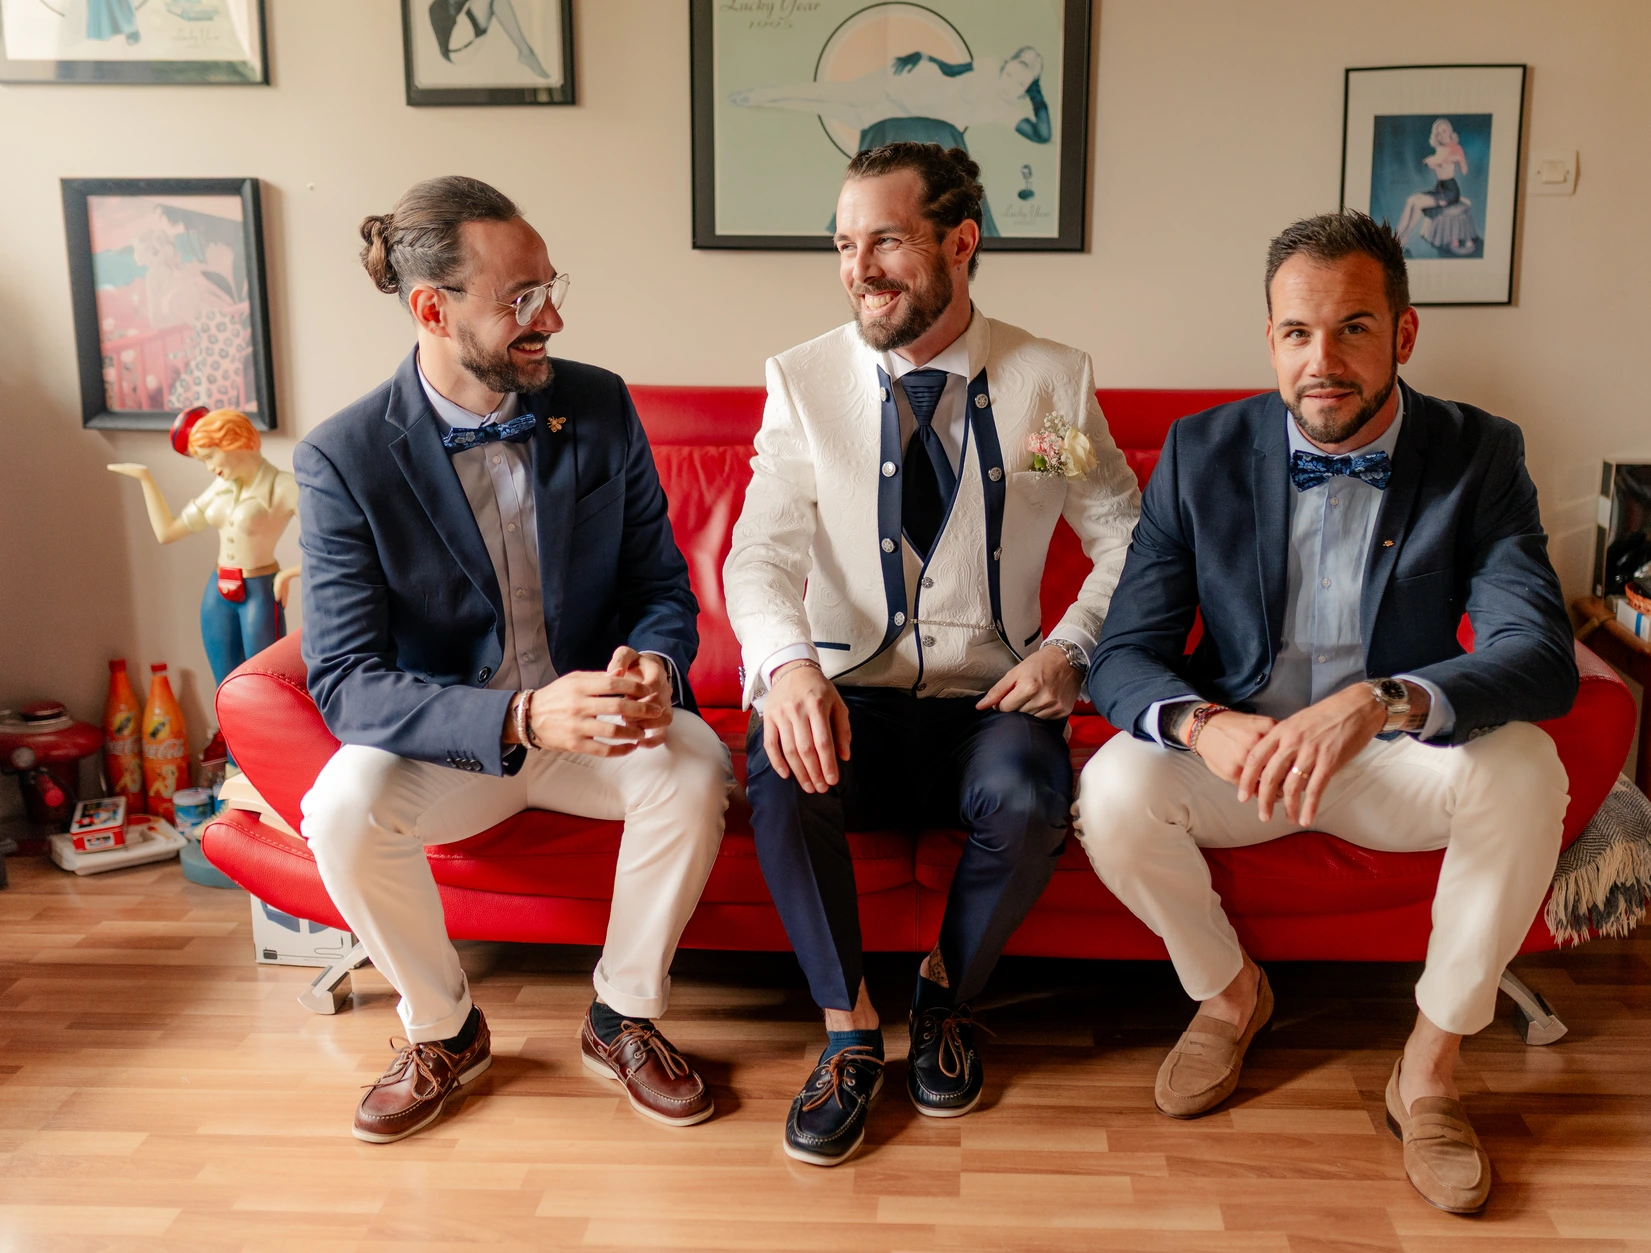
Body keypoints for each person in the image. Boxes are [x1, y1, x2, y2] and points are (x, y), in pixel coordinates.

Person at [1076, 211, 1578, 1215]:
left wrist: (1384, 699)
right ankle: (1230, 994)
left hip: (1393, 756)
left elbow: (1539, 653)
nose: (1323, 361)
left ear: (1403, 333)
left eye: (1353, 328)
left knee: (1527, 767)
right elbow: (1121, 652)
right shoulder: (1201, 451)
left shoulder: (1478, 452)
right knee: (1112, 786)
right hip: (1245, 759)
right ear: (1269, 340)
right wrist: (1202, 724)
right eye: (1298, 333)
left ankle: (1428, 1069)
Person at [724, 142, 1141, 1167]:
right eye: (842, 244)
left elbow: (1125, 539)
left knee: (1031, 798)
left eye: (885, 241)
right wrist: (788, 667)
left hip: (989, 705)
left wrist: (1070, 648)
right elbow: (759, 553)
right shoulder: (802, 381)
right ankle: (848, 1031)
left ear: (960, 242)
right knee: (778, 769)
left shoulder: (1049, 386)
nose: (857, 268)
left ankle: (944, 995)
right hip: (848, 700)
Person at [293, 176, 731, 1144]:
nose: (552, 318)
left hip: (599, 731)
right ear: (431, 309)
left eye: (550, 288)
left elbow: (660, 583)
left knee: (697, 767)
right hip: (457, 742)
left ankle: (622, 1014)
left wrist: (656, 663)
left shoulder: (599, 404)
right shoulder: (343, 457)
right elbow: (345, 680)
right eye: (520, 299)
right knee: (339, 806)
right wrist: (521, 718)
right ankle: (442, 1028)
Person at [729, 47, 1050, 236]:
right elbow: (948, 69)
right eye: (1011, 73)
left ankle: (765, 97)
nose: (1010, 83)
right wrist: (922, 56)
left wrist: (1036, 95)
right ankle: (764, 95)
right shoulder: (989, 66)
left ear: (1028, 87)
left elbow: (1042, 134)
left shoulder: (1004, 108)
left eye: (1021, 83)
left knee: (840, 107)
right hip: (910, 85)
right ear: (1005, 66)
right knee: (838, 95)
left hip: (910, 110)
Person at [107, 407, 298, 687]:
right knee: (225, 682)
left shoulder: (286, 486)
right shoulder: (220, 486)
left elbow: (331, 543)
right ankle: (225, 720)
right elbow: (167, 532)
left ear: (233, 441)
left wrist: (291, 573)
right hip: (217, 589)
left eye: (210, 456)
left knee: (267, 682)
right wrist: (146, 480)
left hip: (259, 589)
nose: (209, 467)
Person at [1394, 118, 1480, 257]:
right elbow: (1434, 162)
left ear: (1450, 131)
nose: (1442, 136)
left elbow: (1464, 171)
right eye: (1438, 134)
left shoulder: (1455, 148)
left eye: (1444, 132)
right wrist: (1435, 161)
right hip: (1439, 188)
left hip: (1450, 191)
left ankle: (1404, 238)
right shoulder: (1440, 149)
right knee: (1411, 200)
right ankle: (1395, 237)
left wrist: (1459, 159)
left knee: (1418, 204)